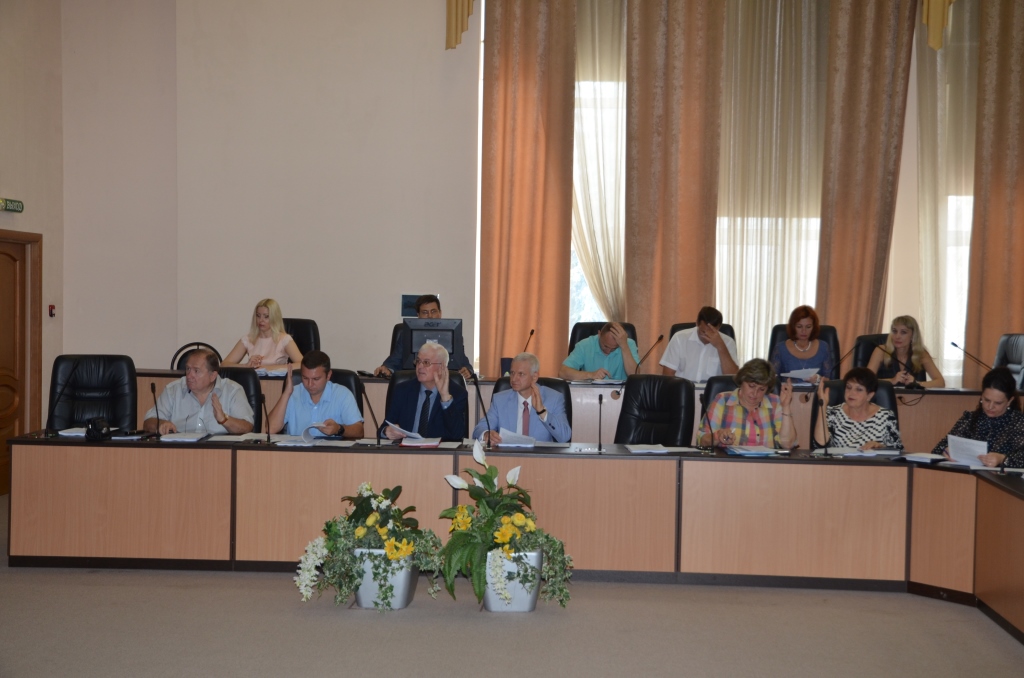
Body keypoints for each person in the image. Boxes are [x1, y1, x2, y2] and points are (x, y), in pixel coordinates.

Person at [143, 349, 254, 435]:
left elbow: (247, 427)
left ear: (213, 376)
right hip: (179, 451)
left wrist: (224, 420)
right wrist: (161, 424)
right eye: (188, 369)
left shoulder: (232, 390)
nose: (189, 375)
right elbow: (148, 422)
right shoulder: (173, 390)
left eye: (196, 371)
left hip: (219, 452)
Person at [932, 367, 1024, 468]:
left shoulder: (1019, 423)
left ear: (1009, 401)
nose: (990, 407)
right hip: (965, 475)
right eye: (986, 400)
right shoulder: (970, 418)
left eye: (998, 403)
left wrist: (1002, 459)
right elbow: (937, 449)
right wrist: (945, 451)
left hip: (1000, 477)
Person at [473, 352, 571, 444]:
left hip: (540, 455)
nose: (514, 378)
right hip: (509, 455)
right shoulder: (500, 400)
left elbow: (565, 437)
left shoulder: (553, 398)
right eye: (512, 373)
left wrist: (542, 412)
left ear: (534, 377)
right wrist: (486, 434)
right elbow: (479, 430)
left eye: (521, 374)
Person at [697, 359, 796, 449]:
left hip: (766, 462)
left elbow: (788, 444)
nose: (755, 393)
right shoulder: (723, 400)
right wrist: (718, 436)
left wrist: (786, 407)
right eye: (751, 386)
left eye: (762, 389)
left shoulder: (775, 402)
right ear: (742, 381)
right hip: (730, 461)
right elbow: (701, 440)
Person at [382, 341, 468, 442]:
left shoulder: (457, 393)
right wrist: (386, 431)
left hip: (439, 451)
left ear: (442, 367)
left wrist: (445, 398)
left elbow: (457, 435)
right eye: (418, 361)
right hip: (406, 450)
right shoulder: (402, 390)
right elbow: (383, 428)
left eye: (426, 362)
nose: (420, 366)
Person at [374, 294, 474, 380]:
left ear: (440, 313)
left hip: (443, 382)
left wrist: (468, 370)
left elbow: (463, 362)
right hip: (415, 382)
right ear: (418, 315)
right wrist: (386, 369)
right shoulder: (406, 334)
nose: (430, 316)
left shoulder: (452, 334)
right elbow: (394, 361)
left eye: (433, 311)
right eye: (425, 312)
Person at [266, 350, 364, 438]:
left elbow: (359, 431)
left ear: (328, 375)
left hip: (331, 452)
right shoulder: (293, 393)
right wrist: (286, 393)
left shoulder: (342, 394)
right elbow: (270, 429)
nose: (310, 384)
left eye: (316, 379)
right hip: (298, 451)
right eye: (305, 378)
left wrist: (339, 429)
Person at [812, 367, 903, 451]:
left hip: (872, 463)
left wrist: (880, 446)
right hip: (840, 463)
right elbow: (821, 447)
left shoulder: (886, 416)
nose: (851, 393)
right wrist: (822, 406)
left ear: (870, 395)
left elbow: (897, 451)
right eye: (848, 387)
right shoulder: (833, 413)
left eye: (859, 389)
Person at [660, 306, 739, 382]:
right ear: (697, 323)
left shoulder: (728, 342)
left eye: (712, 332)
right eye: (703, 331)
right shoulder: (679, 338)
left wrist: (720, 346)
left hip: (714, 391)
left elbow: (733, 378)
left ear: (718, 327)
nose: (707, 336)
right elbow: (667, 376)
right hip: (684, 389)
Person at [222, 299, 303, 369]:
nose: (261, 320)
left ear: (274, 317)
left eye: (266, 316)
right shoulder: (248, 339)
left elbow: (302, 364)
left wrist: (269, 368)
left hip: (277, 381)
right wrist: (246, 366)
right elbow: (224, 365)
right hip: (254, 381)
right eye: (258, 316)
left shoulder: (284, 339)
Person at [867, 315, 945, 388]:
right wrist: (891, 381)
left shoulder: (921, 354)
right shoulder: (881, 350)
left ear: (913, 336)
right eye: (894, 331)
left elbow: (940, 382)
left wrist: (917, 384)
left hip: (913, 398)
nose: (897, 336)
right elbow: (866, 381)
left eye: (903, 332)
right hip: (884, 397)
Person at [769, 305, 834, 385]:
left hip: (816, 392)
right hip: (788, 391)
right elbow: (772, 380)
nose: (804, 331)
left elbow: (830, 380)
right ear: (793, 327)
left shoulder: (823, 347)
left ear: (813, 327)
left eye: (808, 327)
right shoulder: (780, 349)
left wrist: (818, 379)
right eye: (799, 327)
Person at [559, 322, 640, 381]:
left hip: (620, 395)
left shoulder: (628, 344)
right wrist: (591, 375)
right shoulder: (585, 345)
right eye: (605, 346)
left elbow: (635, 375)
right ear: (599, 334)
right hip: (590, 395)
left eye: (614, 348)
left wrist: (624, 346)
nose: (608, 351)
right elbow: (563, 372)